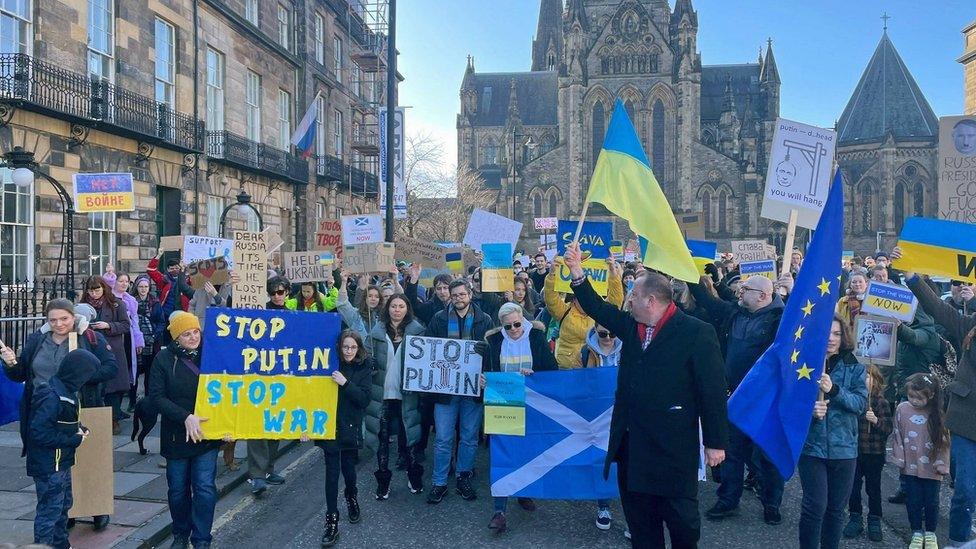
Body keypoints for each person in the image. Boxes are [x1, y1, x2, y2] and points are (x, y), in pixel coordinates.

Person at [564, 243, 728, 548]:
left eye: (634, 297)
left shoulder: (697, 333)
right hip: (634, 446)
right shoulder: (632, 326)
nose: (628, 302)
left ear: (651, 301)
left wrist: (716, 442)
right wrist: (577, 272)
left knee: (683, 527)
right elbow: (599, 308)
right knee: (642, 527)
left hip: (673, 449)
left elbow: (713, 391)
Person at [2, 298, 118, 533]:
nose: (59, 324)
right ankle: (64, 516)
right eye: (53, 320)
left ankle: (96, 508)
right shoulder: (38, 340)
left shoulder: (90, 337)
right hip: (42, 410)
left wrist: (75, 379)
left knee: (88, 461)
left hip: (80, 406)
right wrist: (11, 363)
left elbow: (110, 368)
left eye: (64, 318)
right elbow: (23, 373)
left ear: (73, 316)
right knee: (56, 469)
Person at [893, 246, 976, 546]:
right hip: (968, 421)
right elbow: (939, 309)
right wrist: (912, 276)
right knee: (964, 488)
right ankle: (958, 541)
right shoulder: (969, 326)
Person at [690, 274, 788, 525]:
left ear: (763, 296)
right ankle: (728, 500)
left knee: (766, 454)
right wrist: (687, 273)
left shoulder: (783, 321)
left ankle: (771, 502)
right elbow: (707, 300)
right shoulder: (734, 312)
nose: (740, 292)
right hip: (734, 396)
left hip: (765, 401)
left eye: (746, 289)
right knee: (732, 451)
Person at [480, 302, 558, 533]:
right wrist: (483, 380)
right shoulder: (494, 341)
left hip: (532, 404)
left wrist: (534, 375)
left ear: (524, 320)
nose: (514, 329)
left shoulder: (536, 337)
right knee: (503, 453)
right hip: (503, 403)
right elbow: (486, 370)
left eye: (517, 324)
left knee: (527, 452)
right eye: (508, 326)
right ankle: (499, 511)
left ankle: (523, 493)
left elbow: (552, 370)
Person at [149, 311, 222, 549]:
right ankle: (181, 532)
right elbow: (156, 397)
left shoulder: (211, 354)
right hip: (176, 435)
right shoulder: (163, 359)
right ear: (176, 337)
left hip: (206, 433)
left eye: (195, 332)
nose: (192, 338)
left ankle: (201, 538)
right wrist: (185, 417)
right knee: (178, 490)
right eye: (186, 334)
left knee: (204, 488)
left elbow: (230, 388)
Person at [798, 315, 867, 549]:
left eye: (837, 334)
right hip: (812, 447)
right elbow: (788, 402)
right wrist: (809, 411)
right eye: (827, 333)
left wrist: (834, 390)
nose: (831, 339)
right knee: (814, 506)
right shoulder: (802, 363)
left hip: (844, 449)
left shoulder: (854, 366)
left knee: (836, 510)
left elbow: (860, 405)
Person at [425, 279, 494, 504]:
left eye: (462, 295)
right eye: (454, 296)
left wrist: (486, 355)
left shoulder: (485, 320)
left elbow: (493, 355)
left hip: (472, 388)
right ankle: (439, 482)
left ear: (470, 294)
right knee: (444, 438)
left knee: (469, 437)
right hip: (445, 389)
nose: (458, 299)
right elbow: (428, 350)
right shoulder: (439, 319)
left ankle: (464, 476)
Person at [24, 349, 98, 549]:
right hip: (49, 464)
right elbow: (38, 433)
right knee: (50, 511)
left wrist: (79, 429)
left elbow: (61, 421)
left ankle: (60, 544)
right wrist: (73, 439)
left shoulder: (66, 390)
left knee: (63, 506)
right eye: (86, 375)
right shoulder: (51, 395)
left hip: (60, 461)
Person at [362, 294, 426, 500]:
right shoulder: (375, 334)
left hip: (407, 395)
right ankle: (383, 483)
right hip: (382, 395)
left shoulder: (418, 332)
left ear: (407, 309)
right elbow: (364, 358)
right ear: (387, 308)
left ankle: (414, 476)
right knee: (382, 439)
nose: (397, 310)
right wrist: (368, 362)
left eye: (401, 306)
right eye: (393, 306)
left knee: (409, 439)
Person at [315, 329, 373, 547]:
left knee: (348, 469)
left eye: (353, 347)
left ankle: (351, 497)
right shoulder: (327, 363)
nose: (348, 351)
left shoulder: (364, 366)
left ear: (358, 349)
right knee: (331, 476)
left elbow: (365, 399)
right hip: (329, 426)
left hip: (350, 426)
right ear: (339, 347)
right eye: (345, 347)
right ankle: (331, 521)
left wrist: (345, 383)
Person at [887, 373, 951, 549]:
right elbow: (897, 434)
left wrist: (942, 463)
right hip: (910, 465)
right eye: (911, 396)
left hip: (932, 467)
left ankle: (930, 533)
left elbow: (944, 442)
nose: (914, 400)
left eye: (919, 397)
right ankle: (916, 531)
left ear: (930, 396)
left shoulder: (937, 414)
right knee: (913, 500)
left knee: (931, 501)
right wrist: (899, 457)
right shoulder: (902, 409)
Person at [843, 364, 892, 542]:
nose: (865, 380)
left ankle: (874, 519)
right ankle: (855, 517)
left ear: (876, 381)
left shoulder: (881, 402)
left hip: (874, 453)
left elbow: (888, 428)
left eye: (868, 377)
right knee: (853, 487)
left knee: (873, 488)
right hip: (854, 452)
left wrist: (876, 420)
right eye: (862, 377)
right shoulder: (854, 400)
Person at [543, 259, 624, 368]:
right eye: (580, 298)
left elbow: (615, 301)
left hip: (592, 365)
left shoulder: (600, 312)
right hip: (568, 368)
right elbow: (551, 299)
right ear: (573, 299)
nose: (584, 301)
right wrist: (552, 275)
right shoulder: (564, 311)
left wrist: (613, 275)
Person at [79, 275, 132, 434]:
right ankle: (94, 419)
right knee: (94, 386)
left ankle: (113, 419)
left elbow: (125, 325)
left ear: (103, 288)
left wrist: (108, 325)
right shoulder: (83, 306)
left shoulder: (116, 304)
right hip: (90, 348)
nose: (94, 293)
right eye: (91, 290)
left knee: (113, 387)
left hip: (112, 348)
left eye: (97, 289)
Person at [147, 250, 195, 344]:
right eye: (172, 268)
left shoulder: (188, 281)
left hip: (183, 314)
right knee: (166, 339)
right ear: (168, 269)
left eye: (177, 268)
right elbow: (151, 270)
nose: (174, 270)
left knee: (181, 338)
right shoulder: (164, 280)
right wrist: (158, 256)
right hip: (165, 315)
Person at [131, 275, 164, 413]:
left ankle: (149, 401)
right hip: (135, 342)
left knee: (151, 372)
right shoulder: (132, 301)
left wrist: (155, 335)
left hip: (152, 342)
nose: (143, 289)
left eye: (145, 286)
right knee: (135, 372)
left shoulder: (155, 302)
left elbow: (161, 321)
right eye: (140, 286)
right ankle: (132, 401)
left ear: (149, 288)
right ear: (136, 288)